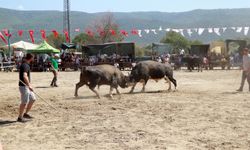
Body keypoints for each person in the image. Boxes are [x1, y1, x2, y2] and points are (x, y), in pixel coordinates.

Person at [17, 53, 36, 122]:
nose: (33, 59)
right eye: (33, 58)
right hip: (24, 86)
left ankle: (25, 114)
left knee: (33, 99)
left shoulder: (26, 65)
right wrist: (29, 85)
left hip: (26, 86)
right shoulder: (25, 65)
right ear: (31, 58)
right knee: (24, 102)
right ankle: (20, 117)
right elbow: (25, 76)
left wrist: (29, 85)